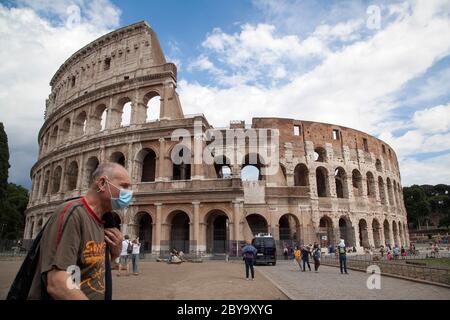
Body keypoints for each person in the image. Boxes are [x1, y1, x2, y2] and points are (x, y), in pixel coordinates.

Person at [26, 162, 131, 300]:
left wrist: (115, 252)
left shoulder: (104, 222)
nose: (129, 193)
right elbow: (58, 282)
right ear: (102, 183)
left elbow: (94, 271)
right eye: (124, 186)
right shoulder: (72, 214)